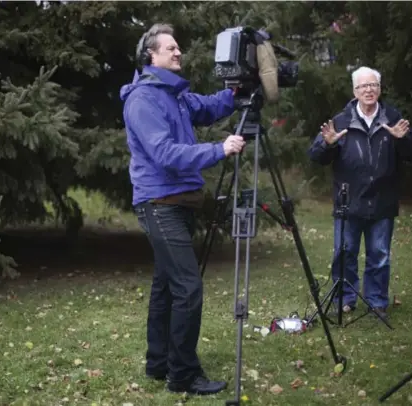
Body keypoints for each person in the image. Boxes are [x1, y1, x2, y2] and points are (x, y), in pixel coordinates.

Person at [119, 23, 245, 395]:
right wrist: (218, 150)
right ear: (150, 56)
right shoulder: (144, 100)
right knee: (188, 288)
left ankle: (158, 363)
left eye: (178, 48)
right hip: (159, 204)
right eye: (170, 48)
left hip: (177, 203)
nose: (178, 53)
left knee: (166, 287)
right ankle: (183, 375)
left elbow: (205, 108)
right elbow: (165, 154)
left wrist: (236, 92)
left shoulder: (173, 93)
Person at [308, 66, 412, 320]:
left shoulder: (392, 117)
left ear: (379, 89)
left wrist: (402, 140)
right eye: (363, 86)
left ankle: (376, 301)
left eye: (373, 85)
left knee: (379, 255)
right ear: (354, 91)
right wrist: (327, 144)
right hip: (348, 201)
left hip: (383, 200)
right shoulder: (340, 121)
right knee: (343, 253)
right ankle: (345, 299)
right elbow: (316, 157)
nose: (368, 90)